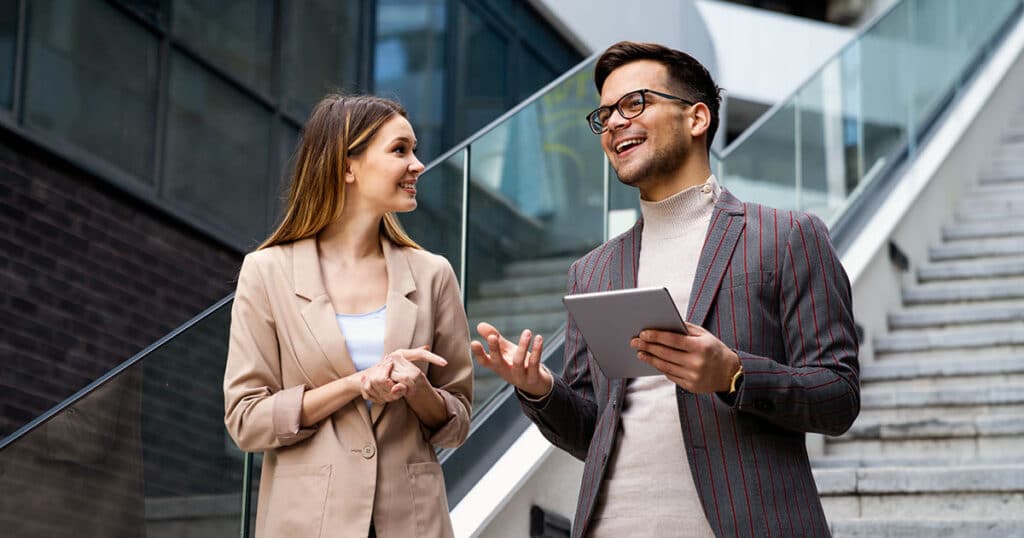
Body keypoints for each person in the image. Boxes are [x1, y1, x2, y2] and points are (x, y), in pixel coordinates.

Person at [473, 42, 860, 537]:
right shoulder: (591, 271)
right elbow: (595, 430)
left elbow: (838, 396)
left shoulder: (787, 236)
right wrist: (540, 390)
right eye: (605, 113)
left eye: (635, 103)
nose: (613, 122)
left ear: (696, 119)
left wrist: (736, 375)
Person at [224, 94, 473, 538]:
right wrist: (356, 384)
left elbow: (458, 422)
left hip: (411, 523)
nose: (417, 165)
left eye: (414, 150)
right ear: (346, 166)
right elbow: (246, 420)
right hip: (306, 523)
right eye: (400, 150)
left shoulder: (433, 274)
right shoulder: (267, 273)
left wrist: (418, 391)